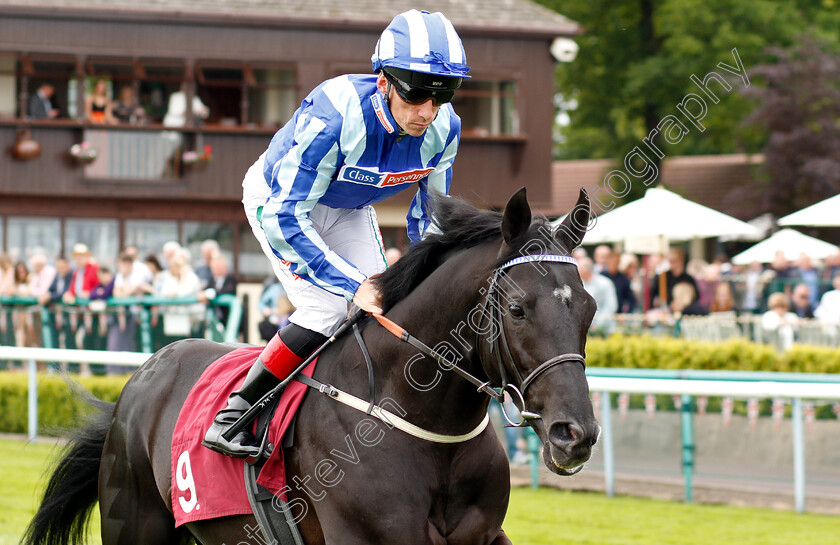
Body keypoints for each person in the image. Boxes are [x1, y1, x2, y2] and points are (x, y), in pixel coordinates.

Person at [204, 9, 470, 458]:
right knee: (328, 305)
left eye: (439, 99)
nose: (426, 113)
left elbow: (429, 220)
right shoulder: (334, 115)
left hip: (348, 210)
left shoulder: (445, 130)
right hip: (282, 204)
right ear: (384, 83)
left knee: (388, 308)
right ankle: (235, 413)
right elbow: (286, 215)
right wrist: (353, 285)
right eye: (416, 97)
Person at [577, 257, 618, 335]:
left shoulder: (605, 283)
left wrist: (597, 324)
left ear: (586, 270)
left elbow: (611, 306)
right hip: (584, 331)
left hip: (606, 330)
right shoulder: (579, 285)